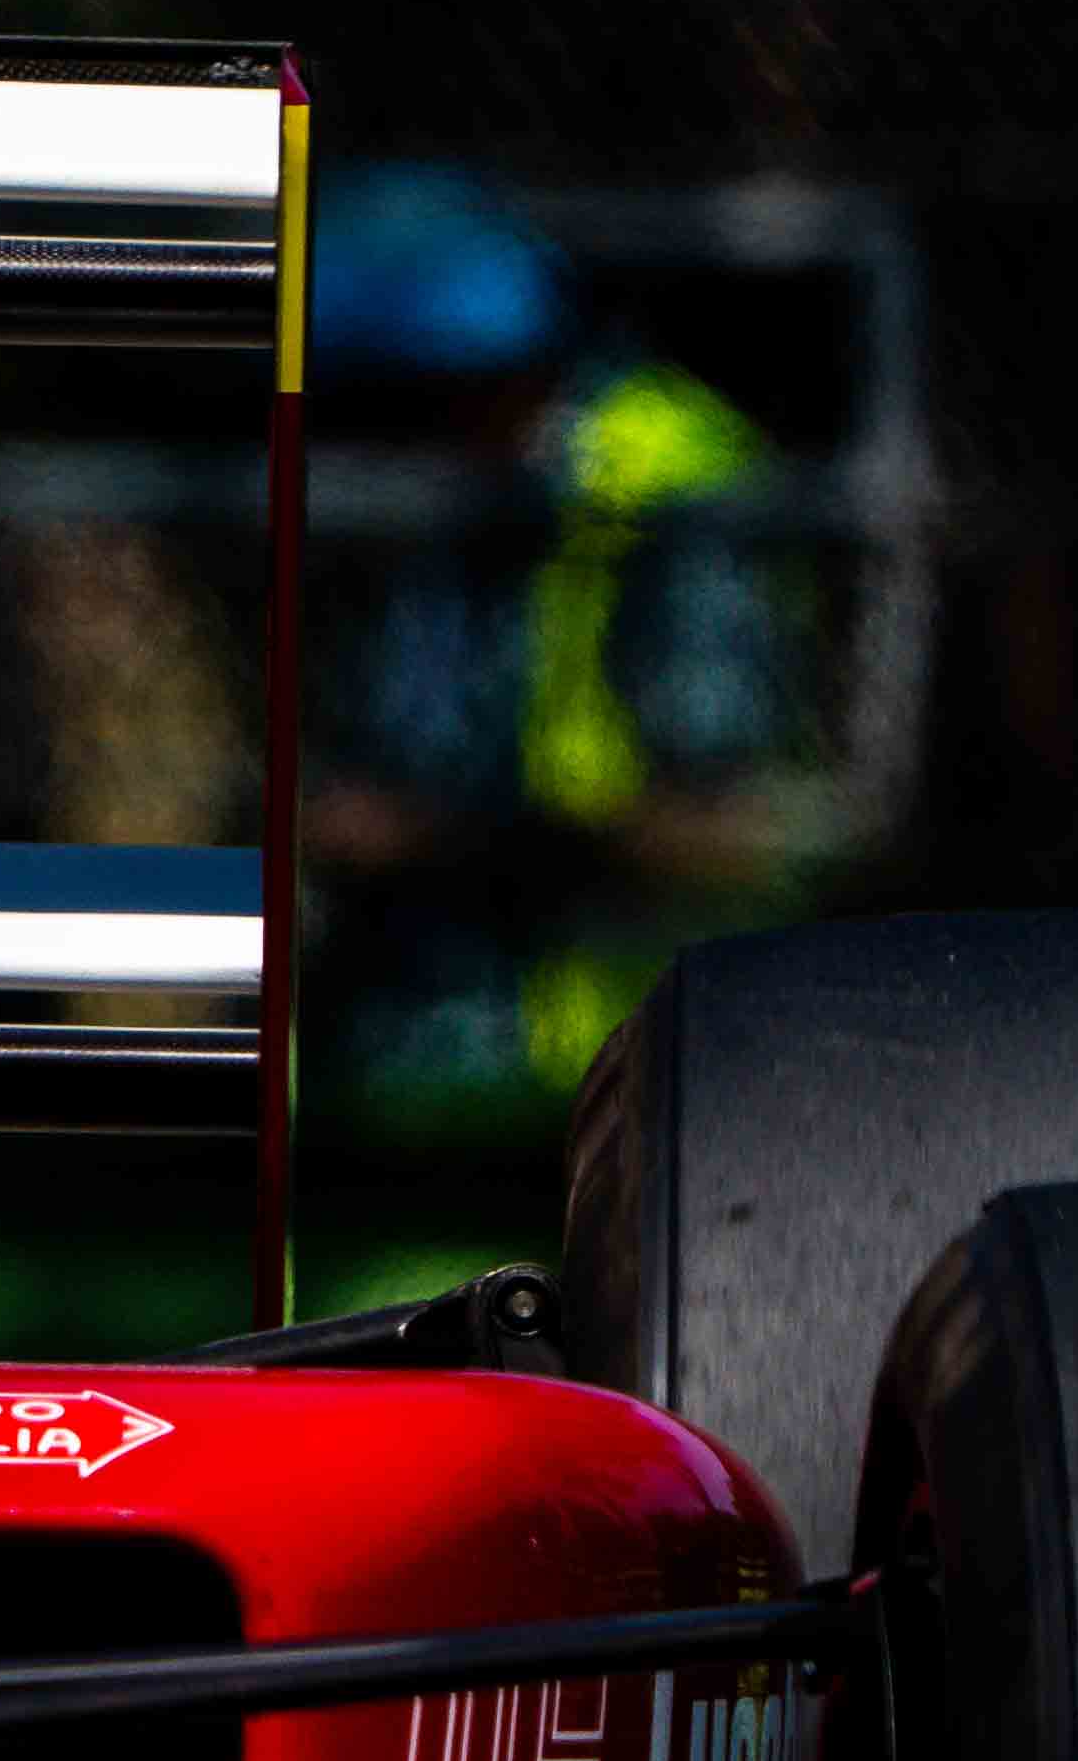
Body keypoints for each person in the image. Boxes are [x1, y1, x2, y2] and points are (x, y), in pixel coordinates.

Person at [298, 162, 809, 1103]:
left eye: (407, 409)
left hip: (623, 1043)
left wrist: (444, 836)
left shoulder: (659, 474)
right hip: (436, 1021)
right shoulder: (446, 505)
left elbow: (718, 822)